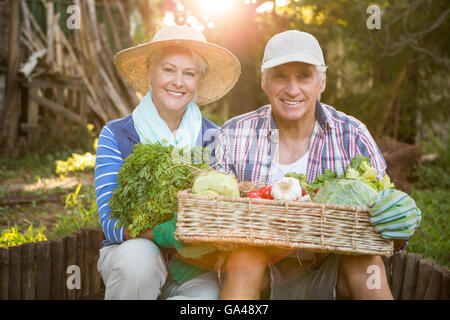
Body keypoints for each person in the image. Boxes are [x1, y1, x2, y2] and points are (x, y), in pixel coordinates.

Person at [213, 30, 421, 300]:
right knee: (244, 260)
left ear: (322, 81)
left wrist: (401, 224)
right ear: (264, 82)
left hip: (332, 265)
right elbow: (217, 213)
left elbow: (385, 221)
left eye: (304, 76)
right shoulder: (235, 133)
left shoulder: (351, 134)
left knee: (366, 263)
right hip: (261, 265)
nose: (292, 89)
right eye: (280, 76)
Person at [94, 25, 241, 300]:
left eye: (189, 73)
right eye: (169, 70)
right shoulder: (115, 134)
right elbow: (110, 222)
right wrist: (159, 234)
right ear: (150, 70)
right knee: (139, 263)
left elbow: (220, 213)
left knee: (207, 296)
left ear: (199, 80)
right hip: (130, 251)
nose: (178, 82)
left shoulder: (215, 137)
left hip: (193, 263)